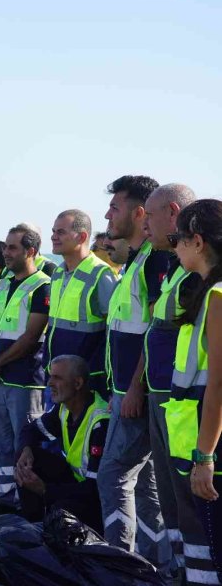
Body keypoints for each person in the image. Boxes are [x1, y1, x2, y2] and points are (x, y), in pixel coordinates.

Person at [97, 176, 172, 574]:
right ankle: (156, 561)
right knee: (144, 484)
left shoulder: (156, 260)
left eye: (116, 207)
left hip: (136, 393)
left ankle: (118, 561)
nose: (109, 214)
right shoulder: (136, 261)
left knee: (112, 474)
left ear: (139, 213)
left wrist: (134, 388)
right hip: (124, 391)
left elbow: (159, 332)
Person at [143, 184, 205, 583]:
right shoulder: (174, 272)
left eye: (150, 215)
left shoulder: (205, 285)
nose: (145, 223)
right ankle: (182, 569)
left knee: (190, 500)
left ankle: (198, 571)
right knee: (171, 497)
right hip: (165, 397)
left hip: (187, 404)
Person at [166, 199, 222, 583]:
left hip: (208, 440)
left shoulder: (217, 296)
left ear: (197, 241)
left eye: (177, 238)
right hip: (192, 435)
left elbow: (218, 381)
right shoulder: (205, 292)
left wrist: (205, 456)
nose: (174, 247)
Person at [0, 224, 49, 510]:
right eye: (6, 247)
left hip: (25, 378)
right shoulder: (4, 283)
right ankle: (8, 497)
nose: (6, 253)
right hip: (0, 377)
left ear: (30, 251)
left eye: (12, 248)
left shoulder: (42, 285)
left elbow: (32, 337)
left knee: (25, 442)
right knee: (1, 438)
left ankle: (27, 502)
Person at [15, 355, 108, 533]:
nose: (49, 383)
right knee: (25, 459)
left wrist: (45, 490)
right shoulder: (64, 408)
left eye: (57, 378)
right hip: (76, 485)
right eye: (50, 376)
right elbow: (30, 431)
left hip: (95, 500)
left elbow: (95, 490)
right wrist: (26, 450)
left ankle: (44, 533)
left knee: (60, 510)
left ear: (78, 384)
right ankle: (33, 527)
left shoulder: (100, 423)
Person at [42, 210, 117, 404]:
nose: (53, 236)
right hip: (56, 377)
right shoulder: (58, 273)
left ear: (82, 237)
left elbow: (113, 332)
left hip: (84, 383)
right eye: (53, 231)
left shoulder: (101, 274)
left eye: (60, 232)